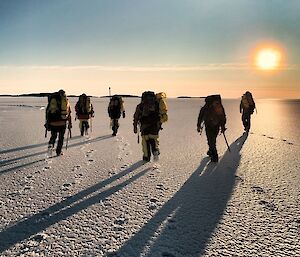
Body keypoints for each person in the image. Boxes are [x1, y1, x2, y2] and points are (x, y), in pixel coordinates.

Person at [133, 91, 167, 162]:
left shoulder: (140, 106)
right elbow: (161, 114)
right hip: (155, 125)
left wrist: (135, 126)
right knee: (153, 139)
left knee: (145, 142)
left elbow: (136, 116)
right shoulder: (156, 104)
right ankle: (155, 150)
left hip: (144, 126)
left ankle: (146, 157)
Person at [197, 94, 226, 162]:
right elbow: (223, 117)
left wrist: (198, 125)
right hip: (217, 125)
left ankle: (215, 157)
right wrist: (223, 126)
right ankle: (211, 151)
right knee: (212, 140)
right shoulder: (219, 106)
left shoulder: (205, 107)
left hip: (208, 125)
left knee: (211, 140)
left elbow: (200, 117)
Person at [45, 89, 72, 156]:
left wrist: (47, 122)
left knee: (53, 136)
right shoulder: (66, 101)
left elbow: (48, 112)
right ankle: (58, 152)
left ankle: (51, 145)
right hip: (62, 123)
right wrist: (70, 123)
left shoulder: (52, 100)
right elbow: (69, 113)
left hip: (53, 123)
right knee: (61, 138)